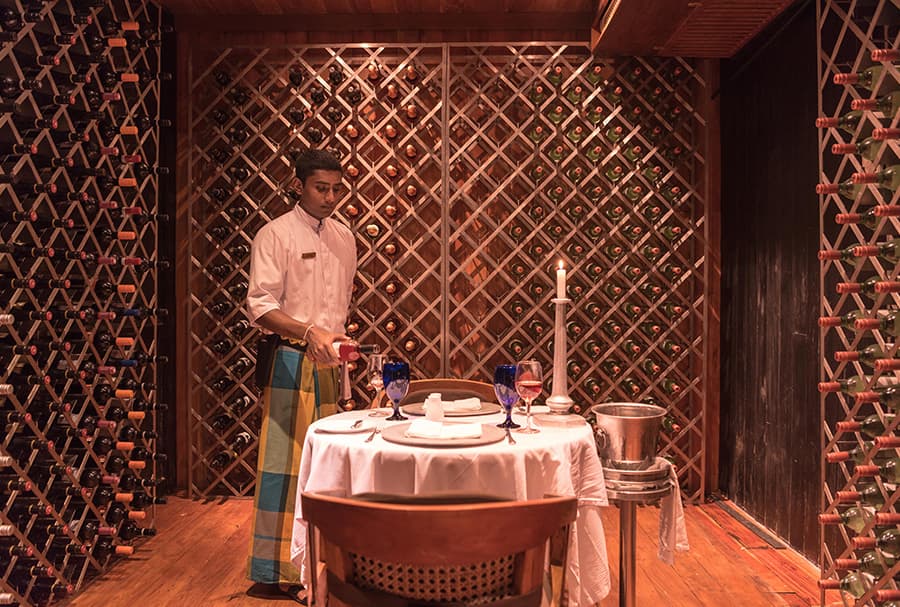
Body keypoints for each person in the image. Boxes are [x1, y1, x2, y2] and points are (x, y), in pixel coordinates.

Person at [244, 148, 357, 604]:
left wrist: (334, 340)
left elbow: (339, 307)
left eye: (336, 189)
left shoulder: (345, 237)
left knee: (329, 467)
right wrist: (309, 332)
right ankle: (279, 571)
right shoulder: (275, 235)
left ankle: (326, 563)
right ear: (298, 186)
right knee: (286, 467)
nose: (329, 197)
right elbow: (260, 306)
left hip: (332, 363)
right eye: (320, 188)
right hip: (290, 360)